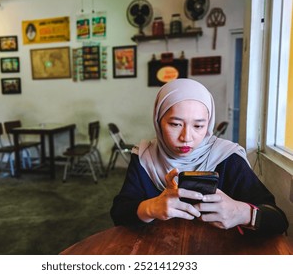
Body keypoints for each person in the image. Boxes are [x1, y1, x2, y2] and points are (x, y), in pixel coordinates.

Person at [110, 78, 289, 235]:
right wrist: (150, 208)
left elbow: (278, 220)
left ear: (208, 124)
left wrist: (241, 213)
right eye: (175, 124)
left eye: (198, 126)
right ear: (158, 121)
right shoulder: (144, 157)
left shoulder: (227, 158)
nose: (186, 137)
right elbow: (119, 213)